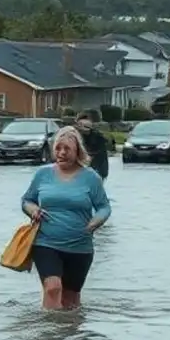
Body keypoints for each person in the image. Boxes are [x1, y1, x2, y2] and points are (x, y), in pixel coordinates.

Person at [20, 125, 111, 311]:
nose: (61, 153)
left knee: (71, 301)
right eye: (57, 148)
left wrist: (96, 221)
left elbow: (104, 207)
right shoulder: (43, 174)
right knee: (53, 288)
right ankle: (49, 334)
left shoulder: (91, 178)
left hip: (80, 246)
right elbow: (26, 200)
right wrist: (33, 210)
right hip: (46, 243)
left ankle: (70, 336)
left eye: (66, 149)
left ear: (77, 150)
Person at [75, 110, 110, 182]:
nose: (81, 131)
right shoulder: (74, 137)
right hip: (79, 172)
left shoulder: (98, 139)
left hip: (95, 170)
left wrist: (103, 173)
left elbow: (101, 157)